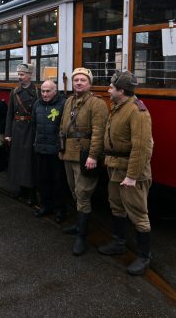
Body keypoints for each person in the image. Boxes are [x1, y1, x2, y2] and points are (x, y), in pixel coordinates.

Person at [97, 71, 154, 276]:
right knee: (116, 206)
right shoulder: (119, 106)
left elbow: (142, 148)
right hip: (116, 168)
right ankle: (118, 243)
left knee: (138, 213)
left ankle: (144, 256)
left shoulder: (137, 112)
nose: (108, 90)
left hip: (131, 172)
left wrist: (132, 176)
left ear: (121, 91)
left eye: (111, 87)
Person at [59, 67, 108, 256]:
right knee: (73, 190)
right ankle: (79, 224)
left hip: (85, 156)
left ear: (90, 83)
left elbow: (99, 132)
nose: (79, 82)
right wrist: (60, 148)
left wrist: (93, 156)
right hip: (68, 154)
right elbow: (63, 126)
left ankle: (82, 235)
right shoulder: (70, 100)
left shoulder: (97, 104)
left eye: (83, 80)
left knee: (83, 193)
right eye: (76, 80)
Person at [31, 79, 67, 223]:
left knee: (58, 182)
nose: (45, 94)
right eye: (43, 91)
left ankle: (60, 210)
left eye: (48, 91)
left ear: (55, 91)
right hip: (41, 149)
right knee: (43, 181)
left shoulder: (63, 104)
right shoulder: (37, 104)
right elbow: (34, 126)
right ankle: (46, 206)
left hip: (56, 151)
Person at [5, 63, 39, 205]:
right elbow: (10, 114)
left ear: (30, 75)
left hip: (30, 129)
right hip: (17, 129)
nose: (19, 77)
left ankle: (31, 193)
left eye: (22, 74)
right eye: (18, 74)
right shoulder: (14, 92)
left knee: (29, 162)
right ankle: (21, 189)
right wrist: (8, 133)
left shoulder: (37, 92)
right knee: (18, 161)